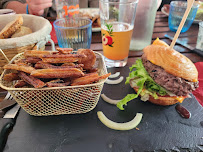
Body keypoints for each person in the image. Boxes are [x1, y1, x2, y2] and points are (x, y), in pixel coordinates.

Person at [1, 0, 98, 17]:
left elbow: (100, 10)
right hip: (38, 36)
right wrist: (27, 9)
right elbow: (5, 3)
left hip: (83, 36)